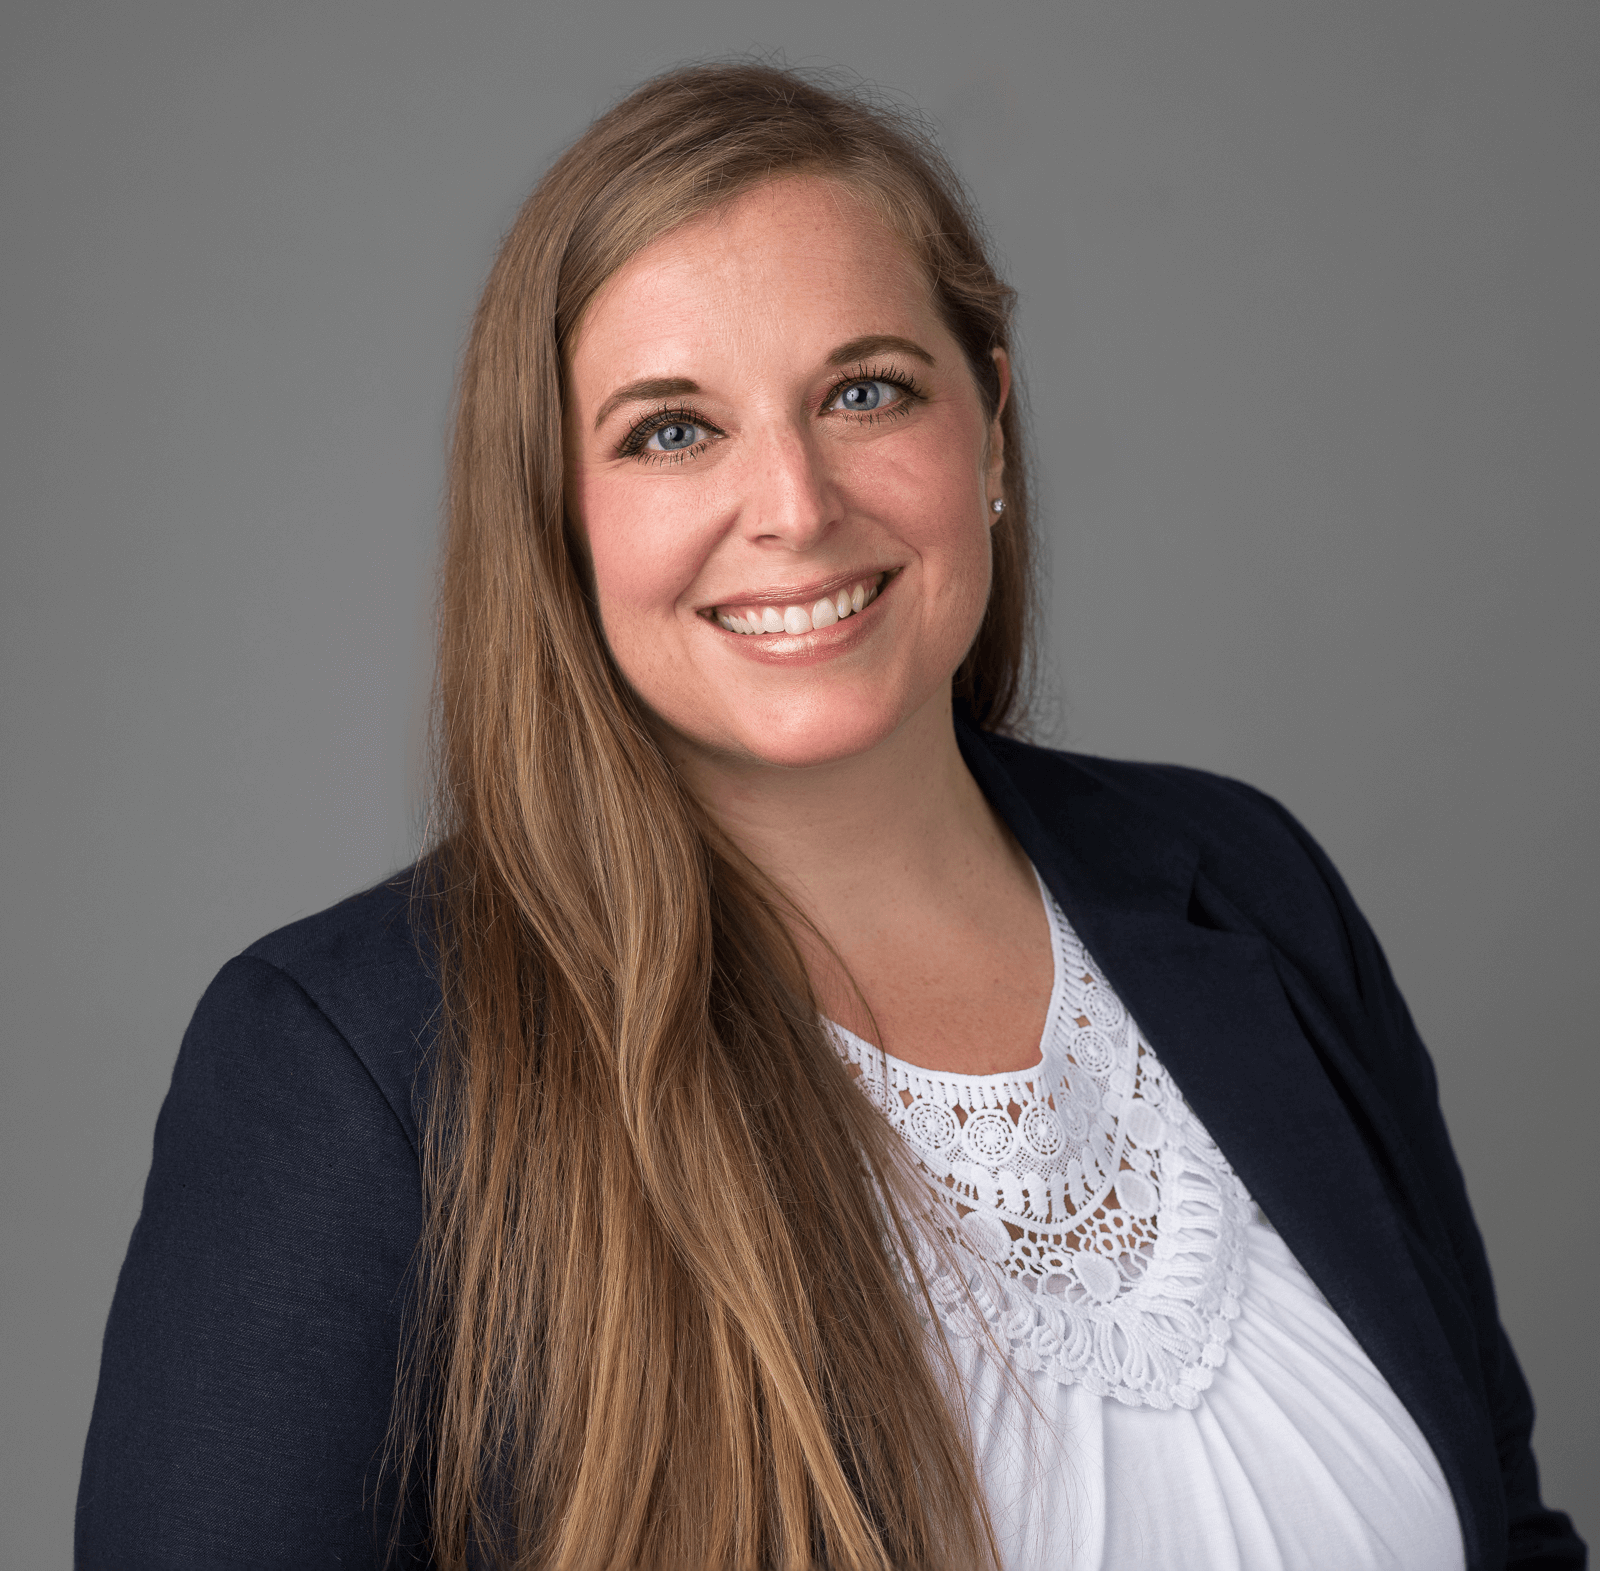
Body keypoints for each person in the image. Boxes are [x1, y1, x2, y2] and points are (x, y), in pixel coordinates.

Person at [75, 63, 1585, 1571]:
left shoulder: (1252, 886)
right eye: (672, 430)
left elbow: (1509, 1534)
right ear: (555, 509)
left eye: (866, 392)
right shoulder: (350, 1072)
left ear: (986, 427)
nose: (794, 504)